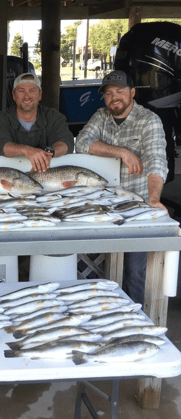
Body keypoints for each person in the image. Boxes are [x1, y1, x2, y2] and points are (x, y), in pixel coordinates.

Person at [75, 70, 169, 304]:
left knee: (135, 272)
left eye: (120, 91)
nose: (114, 97)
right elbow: (82, 143)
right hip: (101, 209)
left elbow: (157, 162)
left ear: (132, 93)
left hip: (136, 207)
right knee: (94, 268)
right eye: (108, 93)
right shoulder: (101, 116)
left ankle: (133, 319)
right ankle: (101, 312)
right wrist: (122, 152)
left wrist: (154, 199)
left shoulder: (149, 120)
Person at [0, 72, 74, 172]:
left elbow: (66, 142)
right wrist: (26, 151)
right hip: (9, 176)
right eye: (21, 91)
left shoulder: (53, 116)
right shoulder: (1, 118)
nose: (26, 96)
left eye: (32, 91)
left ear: (40, 95)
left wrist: (49, 153)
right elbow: (0, 145)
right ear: (13, 95)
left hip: (46, 174)